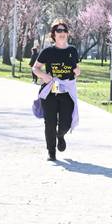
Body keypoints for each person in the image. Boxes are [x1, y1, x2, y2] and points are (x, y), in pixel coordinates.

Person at [32, 21, 80, 161]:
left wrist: (78, 71)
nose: (62, 33)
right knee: (50, 122)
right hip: (50, 91)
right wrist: (44, 76)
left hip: (66, 92)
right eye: (58, 31)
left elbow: (76, 69)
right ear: (53, 34)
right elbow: (35, 68)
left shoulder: (72, 51)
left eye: (64, 30)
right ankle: (51, 152)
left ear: (67, 33)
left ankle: (61, 135)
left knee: (66, 122)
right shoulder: (48, 51)